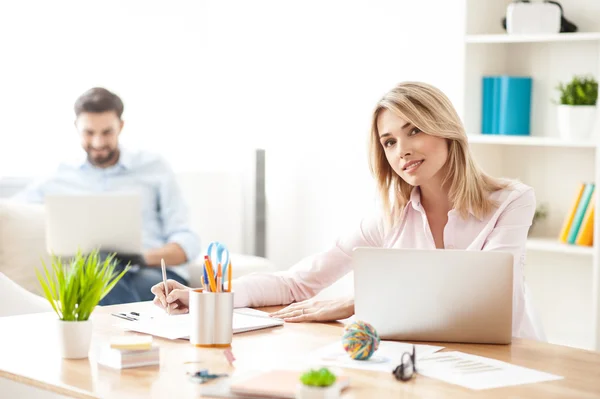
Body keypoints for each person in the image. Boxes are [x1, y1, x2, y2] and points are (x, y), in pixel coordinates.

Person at [151, 81, 540, 340]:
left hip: (508, 359)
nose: (401, 150)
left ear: (446, 128)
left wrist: (357, 303)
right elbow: (296, 283)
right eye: (388, 141)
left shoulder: (510, 202)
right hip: (426, 358)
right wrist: (204, 297)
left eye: (414, 131)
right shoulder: (389, 217)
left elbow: (487, 295)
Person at [14, 87, 201, 305]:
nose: (98, 143)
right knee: (95, 265)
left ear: (120, 127)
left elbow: (187, 240)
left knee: (102, 275)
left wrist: (141, 257)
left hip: (150, 275)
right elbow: (13, 208)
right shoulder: (59, 176)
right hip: (93, 274)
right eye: (89, 133)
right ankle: (138, 328)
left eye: (107, 132)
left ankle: (119, 330)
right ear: (76, 128)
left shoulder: (154, 167)